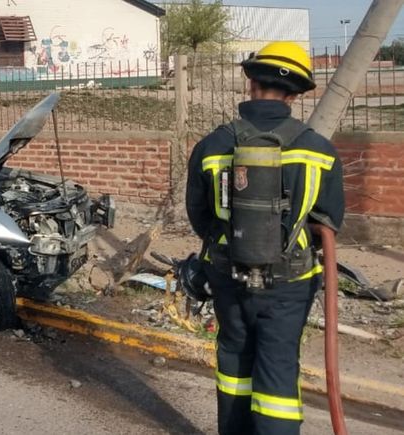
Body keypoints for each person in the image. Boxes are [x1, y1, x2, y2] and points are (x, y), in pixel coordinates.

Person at [184, 42, 345, 434]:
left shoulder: (213, 145)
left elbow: (199, 216)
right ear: (293, 94)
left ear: (251, 83)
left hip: (227, 275)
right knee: (277, 370)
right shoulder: (318, 150)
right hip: (290, 284)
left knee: (235, 360)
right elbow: (330, 221)